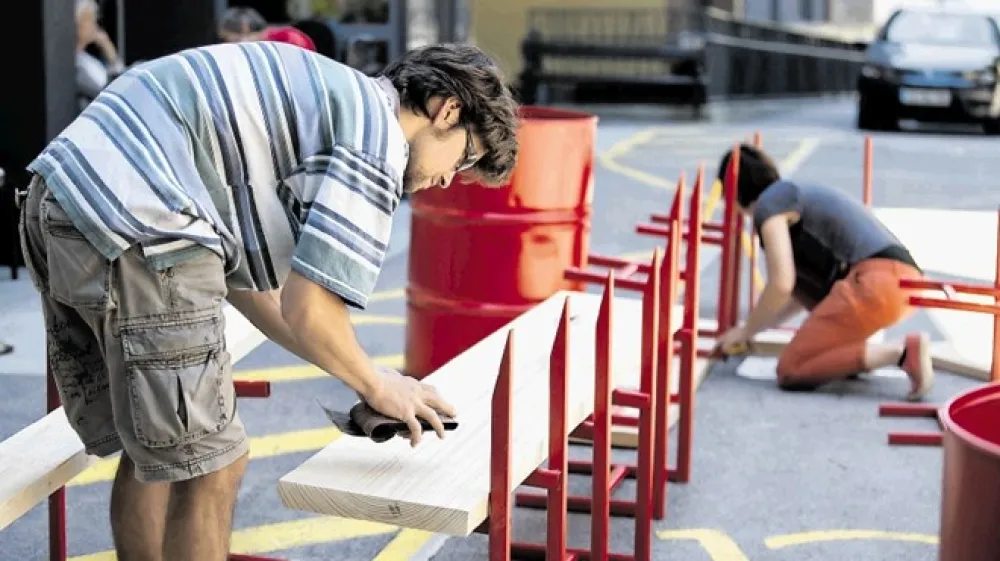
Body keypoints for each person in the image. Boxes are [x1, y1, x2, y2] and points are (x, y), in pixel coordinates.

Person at [17, 40, 519, 560]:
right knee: (213, 462)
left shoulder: (327, 101)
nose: (446, 181)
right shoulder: (377, 140)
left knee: (161, 450)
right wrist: (375, 383)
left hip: (67, 196)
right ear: (448, 109)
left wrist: (376, 378)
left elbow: (258, 292)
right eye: (464, 158)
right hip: (140, 222)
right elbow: (311, 309)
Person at [713, 144, 934, 401]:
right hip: (897, 283)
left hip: (876, 283)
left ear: (733, 191)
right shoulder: (791, 197)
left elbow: (781, 283)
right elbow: (795, 295)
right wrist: (755, 329)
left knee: (791, 369)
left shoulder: (770, 205)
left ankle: (901, 353)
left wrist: (745, 331)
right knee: (813, 354)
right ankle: (852, 356)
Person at [75, 0, 125, 110]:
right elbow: (110, 91)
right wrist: (110, 53)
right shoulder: (77, 65)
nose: (95, 25)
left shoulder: (87, 59)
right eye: (89, 20)